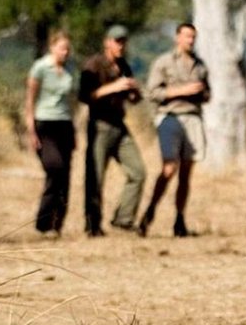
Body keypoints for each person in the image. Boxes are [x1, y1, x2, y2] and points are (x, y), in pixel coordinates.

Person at [139, 22, 210, 237]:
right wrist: (182, 91)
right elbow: (152, 92)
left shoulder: (200, 66)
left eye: (193, 37)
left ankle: (180, 219)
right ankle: (150, 210)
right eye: (187, 36)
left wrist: (201, 92)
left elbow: (208, 95)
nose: (190, 40)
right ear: (177, 37)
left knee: (186, 173)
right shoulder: (164, 62)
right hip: (170, 117)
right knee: (169, 169)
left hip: (193, 117)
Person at [78, 24, 145, 236]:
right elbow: (85, 96)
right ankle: (92, 225)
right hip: (100, 125)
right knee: (95, 177)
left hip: (119, 125)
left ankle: (123, 218)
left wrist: (133, 91)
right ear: (107, 42)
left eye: (124, 41)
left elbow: (133, 99)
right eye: (117, 41)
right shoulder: (94, 65)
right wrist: (113, 87)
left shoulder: (124, 66)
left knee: (138, 172)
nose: (121, 45)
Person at [23, 30, 76, 237]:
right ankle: (43, 221)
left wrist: (75, 131)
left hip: (65, 124)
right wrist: (31, 129)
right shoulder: (41, 67)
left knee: (65, 176)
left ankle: (57, 224)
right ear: (52, 47)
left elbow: (70, 103)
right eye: (62, 48)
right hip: (45, 123)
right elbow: (30, 99)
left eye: (68, 49)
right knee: (55, 168)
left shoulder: (69, 70)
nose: (65, 52)